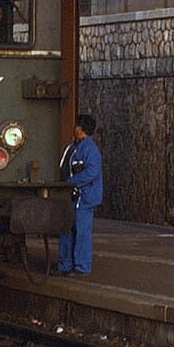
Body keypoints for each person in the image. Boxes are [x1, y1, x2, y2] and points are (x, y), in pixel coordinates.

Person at [55, 114, 102, 276]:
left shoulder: (90, 149)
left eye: (76, 125)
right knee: (66, 230)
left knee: (81, 233)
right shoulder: (73, 147)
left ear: (80, 128)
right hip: (71, 196)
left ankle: (82, 267)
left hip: (84, 198)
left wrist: (71, 182)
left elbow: (91, 172)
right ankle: (65, 265)